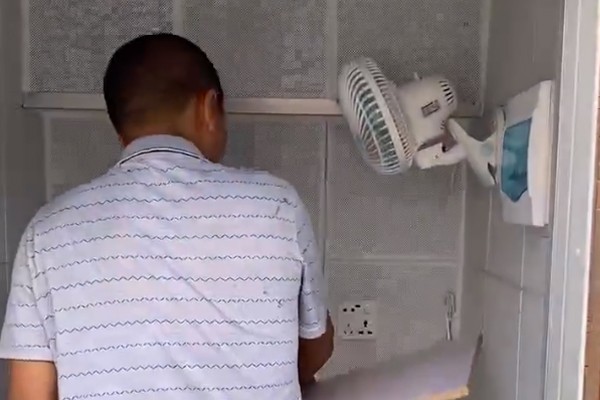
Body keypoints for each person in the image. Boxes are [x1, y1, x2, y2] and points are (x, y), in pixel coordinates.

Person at [0, 33, 334, 400]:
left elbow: (28, 393)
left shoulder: (46, 233)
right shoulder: (276, 206)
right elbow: (313, 349)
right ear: (209, 107)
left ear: (120, 130)